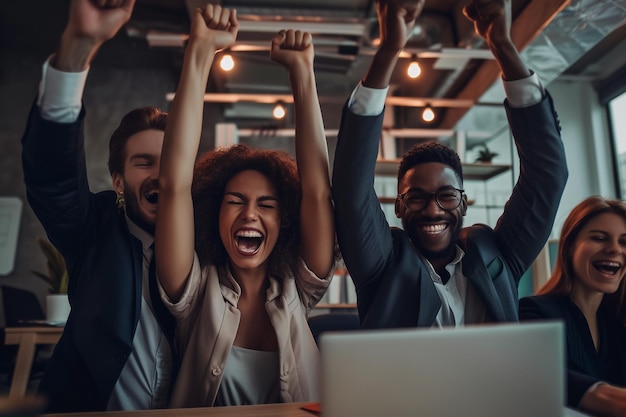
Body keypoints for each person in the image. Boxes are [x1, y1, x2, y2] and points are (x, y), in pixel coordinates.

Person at [332, 0, 568, 329]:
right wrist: (389, 50)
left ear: (464, 202)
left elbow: (548, 176)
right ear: (398, 207)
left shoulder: (495, 255)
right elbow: (351, 190)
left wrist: (503, 45)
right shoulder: (383, 264)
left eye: (446, 195)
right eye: (416, 196)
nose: (433, 209)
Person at [154, 4, 336, 407]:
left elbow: (318, 193)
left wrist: (303, 74)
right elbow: (173, 186)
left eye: (266, 205)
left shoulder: (298, 288)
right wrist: (200, 52)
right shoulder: (195, 292)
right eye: (235, 201)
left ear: (284, 218)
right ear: (213, 214)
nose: (250, 213)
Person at [21, 0, 178, 412]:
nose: (161, 175)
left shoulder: (210, 242)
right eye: (144, 162)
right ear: (118, 181)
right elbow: (53, 180)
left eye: (171, 162)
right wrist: (77, 50)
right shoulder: (95, 230)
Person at [520, 196, 626, 417]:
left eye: (624, 242)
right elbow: (545, 376)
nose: (615, 249)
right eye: (599, 238)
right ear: (569, 248)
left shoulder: (616, 320)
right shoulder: (535, 313)